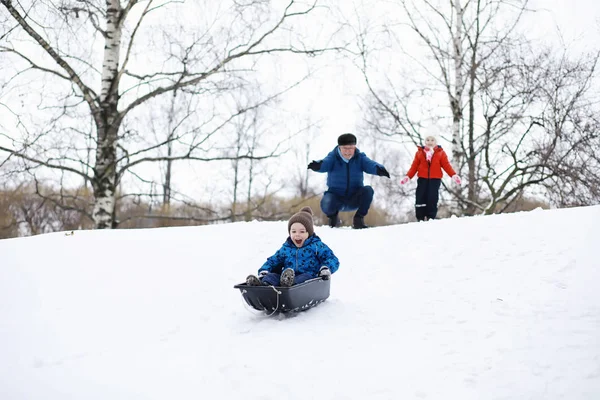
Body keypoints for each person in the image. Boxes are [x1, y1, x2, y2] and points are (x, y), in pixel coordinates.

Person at [307, 133, 390, 229]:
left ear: (354, 147)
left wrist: (379, 169)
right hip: (336, 197)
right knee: (327, 200)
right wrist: (317, 166)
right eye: (345, 148)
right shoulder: (333, 157)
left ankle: (358, 220)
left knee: (368, 190)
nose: (348, 152)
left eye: (350, 148)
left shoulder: (359, 158)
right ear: (339, 148)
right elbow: (325, 163)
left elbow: (370, 164)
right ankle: (333, 218)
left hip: (354, 197)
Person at [245, 206, 339, 287]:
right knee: (272, 276)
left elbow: (331, 258)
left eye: (302, 231)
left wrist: (325, 268)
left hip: (308, 279)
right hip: (285, 277)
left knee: (304, 277)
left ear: (309, 233)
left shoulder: (316, 246)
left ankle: (290, 284)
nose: (297, 235)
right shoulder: (286, 248)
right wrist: (264, 271)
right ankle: (264, 285)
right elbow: (273, 260)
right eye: (293, 231)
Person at [400, 135, 461, 221]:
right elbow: (414, 167)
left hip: (435, 180)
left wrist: (453, 175)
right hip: (422, 179)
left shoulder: (440, 153)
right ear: (425, 141)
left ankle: (430, 217)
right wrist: (408, 176)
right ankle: (420, 217)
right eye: (427, 140)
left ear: (436, 142)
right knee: (420, 197)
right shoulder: (420, 153)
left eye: (432, 140)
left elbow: (446, 166)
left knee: (432, 198)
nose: (430, 142)